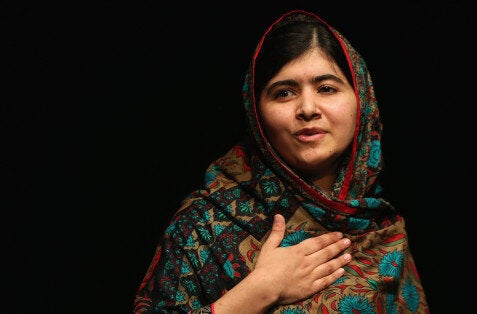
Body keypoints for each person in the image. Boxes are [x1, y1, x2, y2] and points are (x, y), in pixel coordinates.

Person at [133, 9, 429, 313]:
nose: (308, 108)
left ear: (362, 102)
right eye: (284, 93)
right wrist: (260, 291)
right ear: (257, 114)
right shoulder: (202, 224)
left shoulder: (381, 232)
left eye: (327, 88)